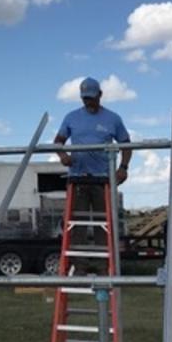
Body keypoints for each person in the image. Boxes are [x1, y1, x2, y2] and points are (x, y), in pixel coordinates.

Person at [54, 77, 132, 250]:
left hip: (102, 180)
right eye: (85, 98)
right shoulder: (71, 117)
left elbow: (127, 145)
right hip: (78, 178)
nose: (88, 101)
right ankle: (78, 268)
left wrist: (123, 168)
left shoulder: (113, 119)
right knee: (77, 225)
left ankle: (105, 269)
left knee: (104, 225)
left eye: (91, 97)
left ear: (100, 95)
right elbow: (58, 141)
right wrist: (63, 155)